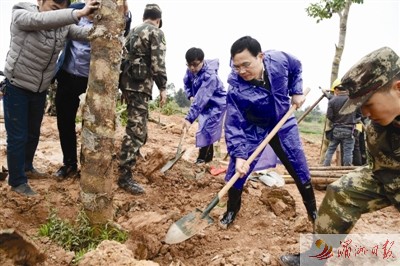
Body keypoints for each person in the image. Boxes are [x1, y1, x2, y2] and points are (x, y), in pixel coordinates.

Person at [280, 46, 400, 266]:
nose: (364, 113)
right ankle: (315, 259)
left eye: (368, 104)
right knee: (340, 192)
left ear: (398, 88)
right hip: (385, 175)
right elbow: (378, 165)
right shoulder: (377, 126)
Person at [2, 0, 99, 196]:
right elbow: (40, 20)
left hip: (39, 89)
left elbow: (83, 33)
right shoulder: (22, 11)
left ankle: (27, 167)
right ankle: (17, 181)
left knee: (32, 134)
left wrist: (106, 27)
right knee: (18, 137)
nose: (59, 11)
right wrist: (76, 13)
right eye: (55, 6)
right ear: (40, 1)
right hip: (17, 85)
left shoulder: (63, 24)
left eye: (63, 7)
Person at [220, 36, 317, 229]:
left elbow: (296, 66)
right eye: (236, 66)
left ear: (261, 56)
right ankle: (231, 210)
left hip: (283, 122)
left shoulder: (279, 60)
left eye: (246, 65)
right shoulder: (236, 89)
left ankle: (313, 213)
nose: (241, 71)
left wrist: (296, 91)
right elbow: (233, 123)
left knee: (299, 167)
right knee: (237, 172)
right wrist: (239, 155)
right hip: (253, 127)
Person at [53, 1, 132, 181]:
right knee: (64, 122)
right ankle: (69, 164)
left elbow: (123, 30)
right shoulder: (75, 10)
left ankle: (89, 166)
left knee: (92, 124)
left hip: (91, 81)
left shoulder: (109, 15)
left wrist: (125, 13)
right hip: (67, 76)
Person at [117, 3, 167, 195]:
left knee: (136, 124)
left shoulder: (133, 32)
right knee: (136, 130)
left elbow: (123, 58)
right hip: (140, 85)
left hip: (128, 84)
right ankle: (125, 175)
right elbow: (158, 62)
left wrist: (122, 87)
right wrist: (163, 87)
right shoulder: (156, 32)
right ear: (158, 20)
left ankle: (133, 157)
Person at [181, 47, 227, 164]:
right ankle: (208, 159)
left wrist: (189, 118)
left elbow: (201, 98)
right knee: (205, 127)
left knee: (207, 129)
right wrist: (190, 95)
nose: (192, 68)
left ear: (202, 61)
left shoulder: (210, 76)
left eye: (195, 65)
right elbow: (186, 84)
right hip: (204, 105)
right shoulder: (191, 71)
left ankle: (201, 159)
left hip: (216, 104)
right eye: (189, 65)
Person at [322, 84, 361, 166]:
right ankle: (346, 170)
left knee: (330, 149)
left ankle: (325, 166)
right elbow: (359, 114)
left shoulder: (332, 101)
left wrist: (336, 121)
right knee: (348, 152)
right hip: (350, 130)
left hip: (336, 129)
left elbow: (329, 116)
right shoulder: (353, 101)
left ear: (337, 90)